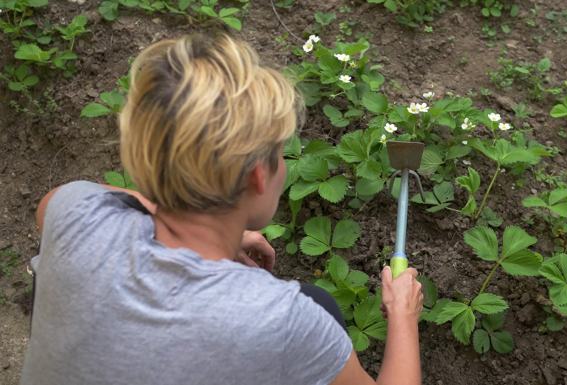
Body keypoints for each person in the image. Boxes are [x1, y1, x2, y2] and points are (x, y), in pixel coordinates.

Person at [21, 33, 423, 385]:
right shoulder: (280, 322)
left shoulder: (75, 216)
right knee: (321, 308)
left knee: (319, 301)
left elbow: (54, 199)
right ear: (257, 177)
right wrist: (402, 315)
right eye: (281, 153)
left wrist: (211, 235)